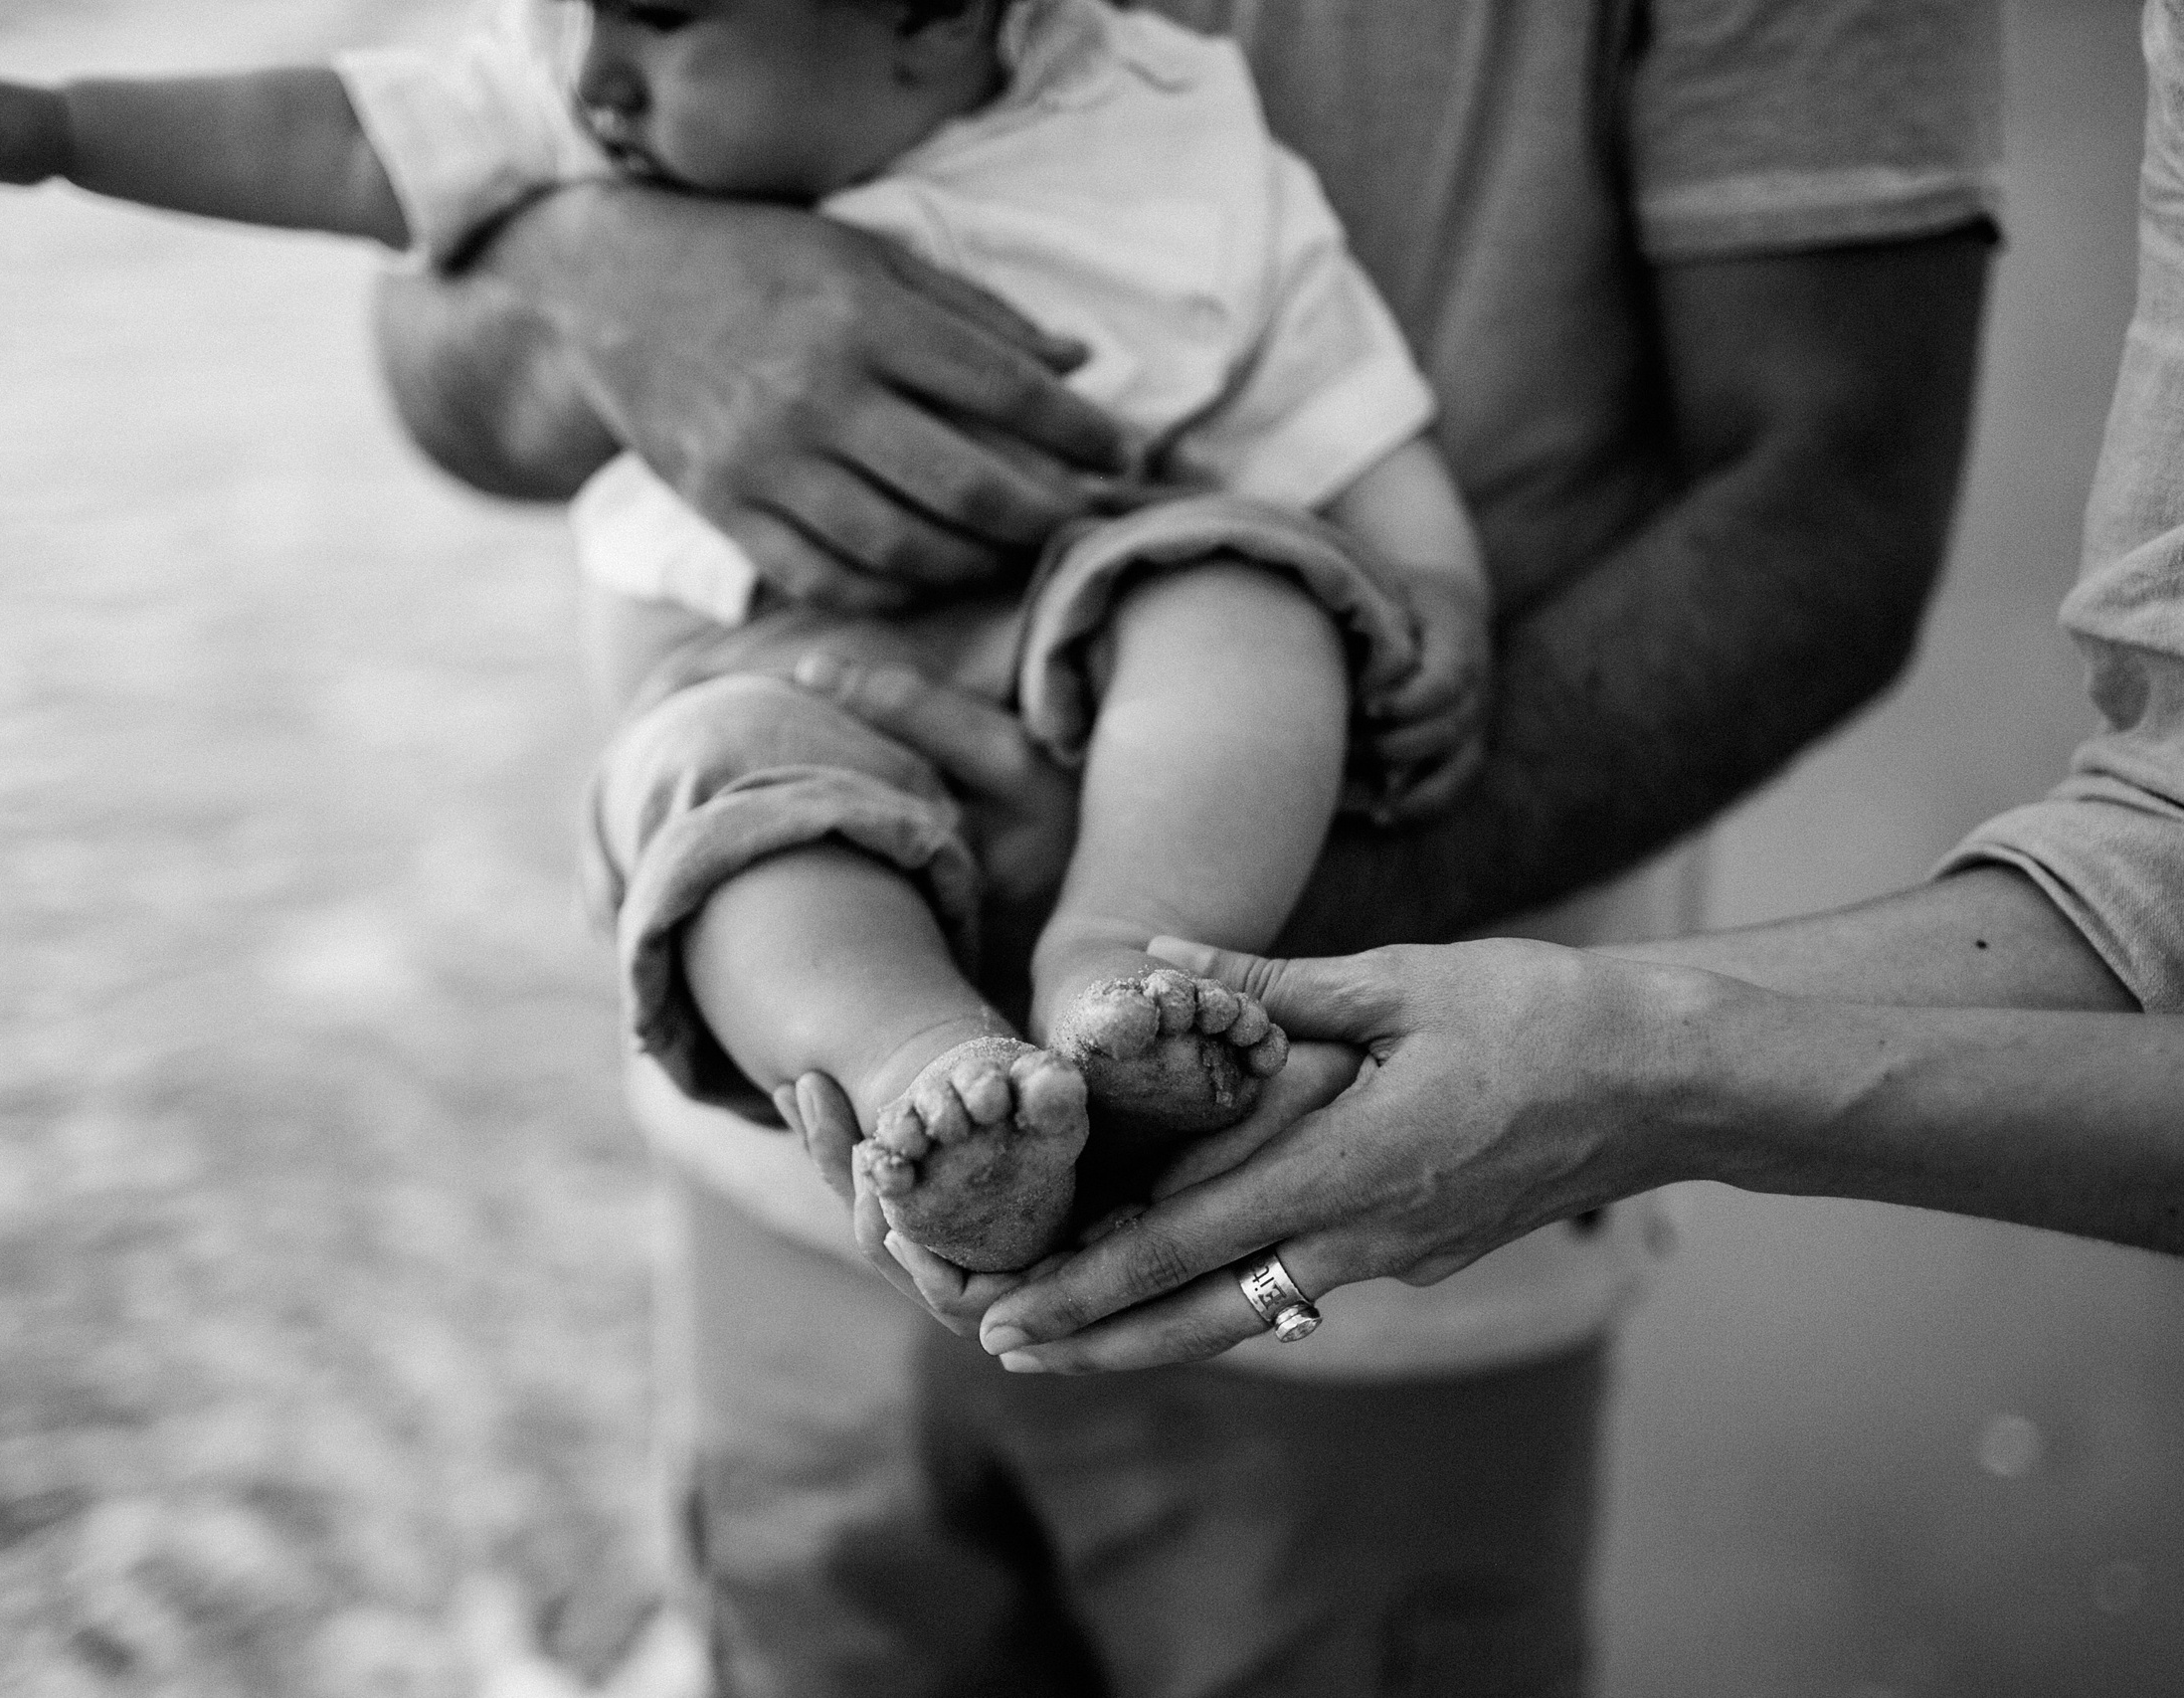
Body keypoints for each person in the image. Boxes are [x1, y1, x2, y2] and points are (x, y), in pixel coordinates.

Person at [375, 0, 2000, 1691]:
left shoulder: (1187, 149)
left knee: (1232, 587)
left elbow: (1832, 496)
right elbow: (424, 316)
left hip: (1375, 1180)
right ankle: (938, 1035)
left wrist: (1209, 915)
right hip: (786, 1165)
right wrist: (607, 283)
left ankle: (1093, 979)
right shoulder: (594, 73)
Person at [0, 0, 1495, 1275]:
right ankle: (931, 1079)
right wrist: (59, 123)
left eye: (664, 27)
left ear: (931, 21)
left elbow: (1327, 379)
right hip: (763, 676)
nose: (592, 70)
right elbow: (329, 138)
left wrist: (1439, 588)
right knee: (729, 817)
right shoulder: (575, 109)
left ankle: (1126, 961)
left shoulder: (1170, 121)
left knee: (1250, 589)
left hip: (1085, 631)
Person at [934, 0, 2184, 1379]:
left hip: (1357, 1216)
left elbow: (1827, 504)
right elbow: (2153, 854)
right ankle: (900, 1047)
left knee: (1233, 597)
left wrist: (1621, 1060)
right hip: (812, 1070)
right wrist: (657, 261)